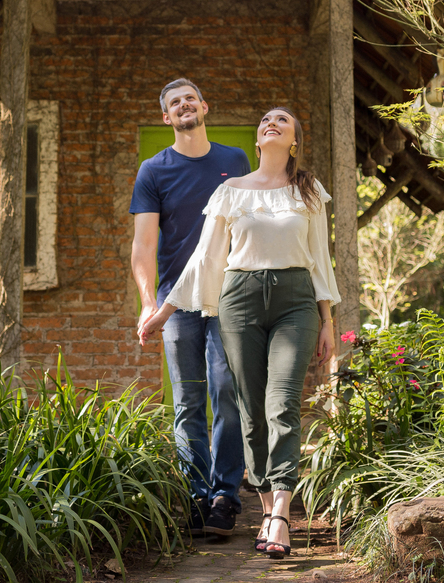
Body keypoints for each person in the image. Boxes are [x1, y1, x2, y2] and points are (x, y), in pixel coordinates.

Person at [139, 106, 339, 560]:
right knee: (249, 406)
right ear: (257, 142)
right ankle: (266, 508)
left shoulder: (307, 191)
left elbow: (320, 260)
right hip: (240, 300)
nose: (271, 122)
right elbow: (206, 259)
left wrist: (328, 321)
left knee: (282, 401)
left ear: (293, 141)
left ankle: (283, 509)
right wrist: (165, 311)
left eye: (283, 120)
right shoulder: (230, 191)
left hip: (296, 301)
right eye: (266, 119)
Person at [130, 79, 250, 537]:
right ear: (166, 117)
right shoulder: (153, 170)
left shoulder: (234, 161)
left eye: (189, 99)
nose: (182, 106)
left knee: (226, 392)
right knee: (187, 402)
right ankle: (195, 496)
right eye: (172, 103)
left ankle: (224, 497)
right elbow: (143, 245)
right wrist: (148, 303)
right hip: (176, 303)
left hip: (227, 297)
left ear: (204, 106)